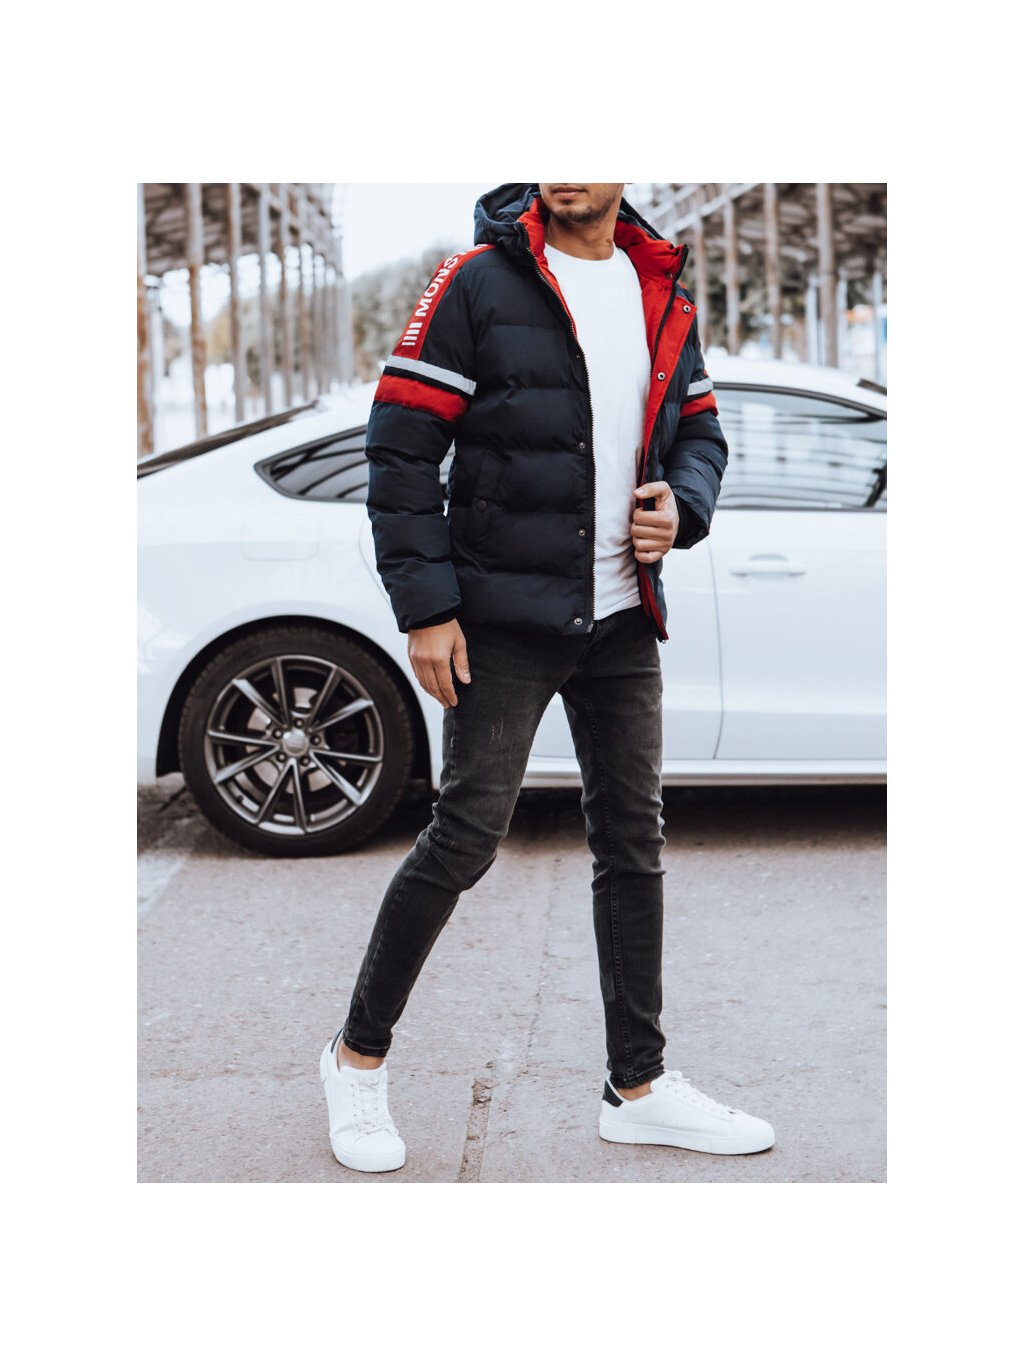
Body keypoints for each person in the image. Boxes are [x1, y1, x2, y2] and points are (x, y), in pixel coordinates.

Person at [319, 183, 775, 1173]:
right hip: (502, 622)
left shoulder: (659, 287)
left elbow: (699, 432)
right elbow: (400, 446)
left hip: (621, 619)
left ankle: (637, 1087)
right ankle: (355, 1059)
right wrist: (427, 609)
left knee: (633, 845)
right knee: (464, 839)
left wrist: (682, 504)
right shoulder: (477, 281)